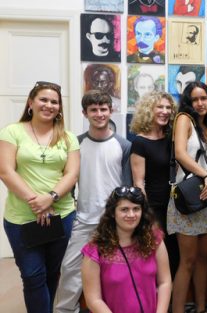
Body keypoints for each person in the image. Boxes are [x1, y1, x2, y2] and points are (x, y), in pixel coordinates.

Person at [0, 81, 80, 313]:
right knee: (32, 274)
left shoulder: (68, 137)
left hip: (61, 214)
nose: (49, 105)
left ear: (60, 107)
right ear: (30, 103)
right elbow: (5, 171)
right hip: (22, 217)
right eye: (43, 100)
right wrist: (37, 203)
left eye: (54, 101)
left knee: (52, 272)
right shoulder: (12, 132)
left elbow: (72, 173)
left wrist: (51, 197)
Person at [54, 90, 132, 313]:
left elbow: (126, 187)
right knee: (70, 271)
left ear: (111, 110)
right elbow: (68, 180)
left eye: (103, 109)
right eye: (94, 110)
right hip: (83, 218)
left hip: (115, 221)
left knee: (115, 272)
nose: (99, 114)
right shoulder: (75, 144)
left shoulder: (123, 145)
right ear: (85, 113)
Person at [81, 186, 172, 313]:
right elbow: (93, 300)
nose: (131, 215)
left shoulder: (154, 240)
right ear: (113, 213)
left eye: (136, 209)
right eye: (124, 209)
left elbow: (165, 282)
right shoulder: (95, 250)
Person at [167, 82, 207, 313]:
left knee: (202, 259)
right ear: (188, 101)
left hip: (206, 198)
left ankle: (200, 308)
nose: (200, 103)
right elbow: (180, 154)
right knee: (186, 261)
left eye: (204, 98)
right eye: (195, 99)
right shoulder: (183, 119)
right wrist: (205, 174)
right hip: (186, 198)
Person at [130, 91, 180, 279]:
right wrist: (148, 217)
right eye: (160, 107)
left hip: (175, 208)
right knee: (156, 260)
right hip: (154, 209)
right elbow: (138, 183)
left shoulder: (172, 139)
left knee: (174, 257)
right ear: (149, 110)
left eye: (168, 108)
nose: (165, 111)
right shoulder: (140, 142)